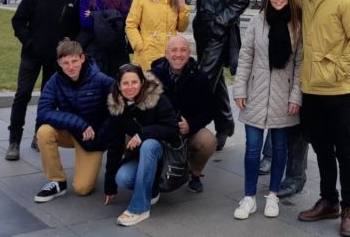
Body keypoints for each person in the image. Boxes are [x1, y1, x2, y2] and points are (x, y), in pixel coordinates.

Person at [260, 0, 350, 237]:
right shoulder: (307, 0)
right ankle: (328, 201)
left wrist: (339, 70)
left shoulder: (347, 0)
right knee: (321, 148)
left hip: (338, 89)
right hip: (311, 90)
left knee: (344, 150)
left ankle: (349, 208)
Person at [232, 0, 303, 220]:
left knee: (280, 149)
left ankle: (272, 196)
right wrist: (240, 89)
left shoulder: (297, 26)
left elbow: (299, 64)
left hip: (284, 95)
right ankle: (249, 197)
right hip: (256, 92)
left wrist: (296, 96)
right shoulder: (257, 22)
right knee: (252, 149)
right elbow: (245, 57)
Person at [257, 0, 314, 196]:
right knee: (281, 109)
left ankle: (296, 175)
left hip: (302, 46)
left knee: (298, 117)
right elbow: (276, 0)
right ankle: (276, 160)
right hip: (283, 44)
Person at [6, 0, 80, 161]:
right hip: (31, 56)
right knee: (22, 95)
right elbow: (18, 21)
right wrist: (28, 42)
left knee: (48, 100)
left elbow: (76, 28)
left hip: (55, 60)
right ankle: (14, 141)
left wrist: (68, 45)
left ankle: (39, 136)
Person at [34, 39, 114, 202]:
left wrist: (103, 134)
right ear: (59, 63)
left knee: (82, 189)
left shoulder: (99, 78)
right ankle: (57, 181)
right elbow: (43, 112)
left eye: (74, 61)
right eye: (65, 63)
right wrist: (78, 123)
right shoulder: (55, 81)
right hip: (71, 131)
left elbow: (120, 101)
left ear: (82, 58)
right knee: (44, 132)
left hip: (92, 138)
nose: (70, 67)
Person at [194, 0, 249, 150]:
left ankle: (194, 127)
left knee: (204, 80)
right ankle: (225, 122)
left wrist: (220, 22)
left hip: (220, 30)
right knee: (216, 82)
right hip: (202, 28)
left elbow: (241, 0)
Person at [104, 64, 179, 227]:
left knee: (149, 144)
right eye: (125, 83)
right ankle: (151, 190)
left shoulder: (157, 98)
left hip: (163, 154)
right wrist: (109, 185)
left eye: (134, 82)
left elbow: (173, 129)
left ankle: (139, 208)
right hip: (140, 157)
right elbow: (114, 145)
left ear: (142, 82)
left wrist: (142, 134)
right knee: (122, 178)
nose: (130, 87)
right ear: (118, 85)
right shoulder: (117, 106)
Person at [150, 35, 217, 194]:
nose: (178, 54)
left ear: (189, 53)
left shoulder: (200, 77)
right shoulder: (152, 76)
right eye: (174, 50)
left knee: (208, 141)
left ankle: (194, 174)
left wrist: (191, 124)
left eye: (183, 50)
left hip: (188, 130)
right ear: (166, 54)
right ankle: (152, 175)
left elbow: (209, 110)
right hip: (161, 130)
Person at [126, 0, 190, 69]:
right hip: (147, 54)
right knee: (148, 84)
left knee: (167, 85)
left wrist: (183, 8)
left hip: (169, 54)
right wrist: (139, 46)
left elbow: (181, 28)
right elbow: (131, 24)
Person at [78, 0, 131, 78]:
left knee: (117, 83)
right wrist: (113, 15)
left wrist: (95, 15)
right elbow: (85, 23)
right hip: (94, 49)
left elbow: (123, 21)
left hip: (116, 49)